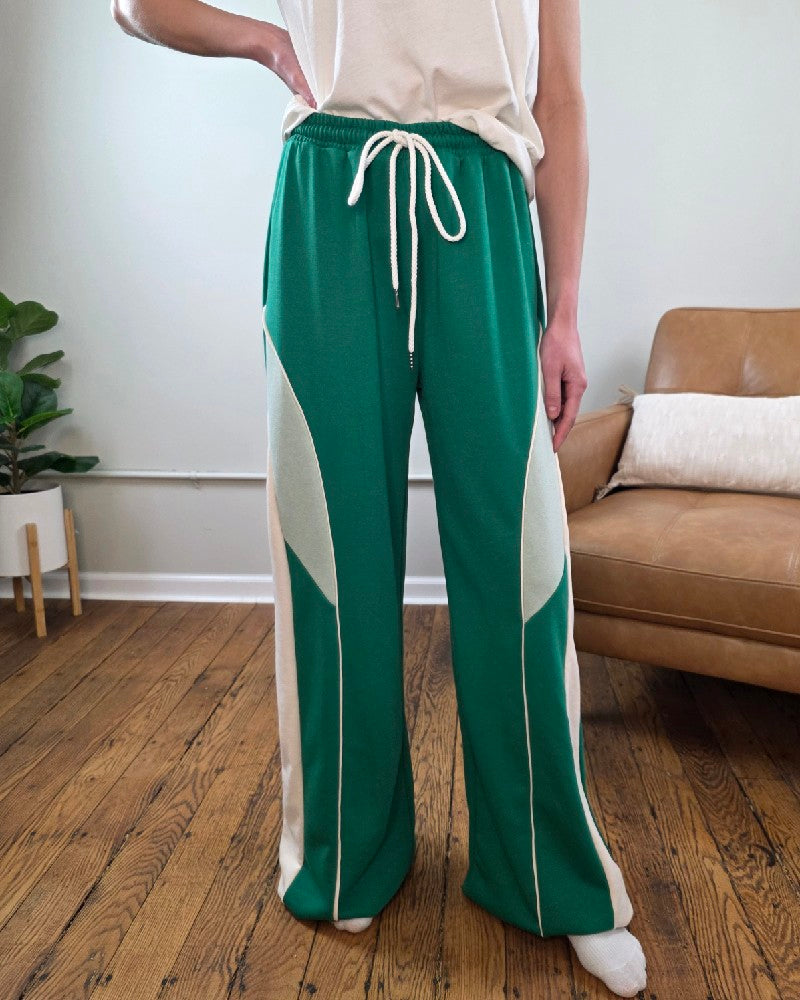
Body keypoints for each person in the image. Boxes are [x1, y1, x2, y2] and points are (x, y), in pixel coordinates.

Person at [111, 1, 647, 995]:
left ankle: (550, 876)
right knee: (331, 554)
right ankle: (346, 852)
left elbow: (559, 96)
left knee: (520, 564)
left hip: (481, 202)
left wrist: (565, 303)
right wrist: (269, 42)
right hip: (329, 199)